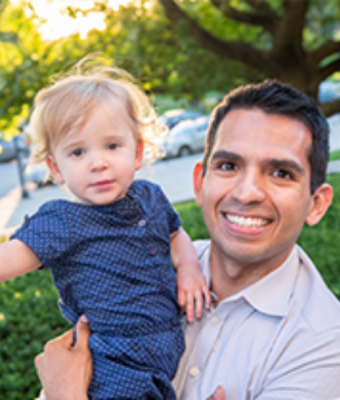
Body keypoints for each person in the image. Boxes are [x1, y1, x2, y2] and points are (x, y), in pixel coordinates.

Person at [35, 79, 340, 400]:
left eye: (281, 173)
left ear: (316, 204)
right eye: (228, 165)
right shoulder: (142, 264)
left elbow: (66, 383)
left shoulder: (324, 343)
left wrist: (66, 393)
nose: (247, 192)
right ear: (199, 183)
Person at [0, 65, 211, 400]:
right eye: (78, 152)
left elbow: (175, 234)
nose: (97, 163)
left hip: (166, 352)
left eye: (112, 146)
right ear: (55, 167)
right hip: (114, 361)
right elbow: (7, 259)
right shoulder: (62, 221)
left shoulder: (151, 197)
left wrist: (188, 268)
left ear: (138, 152)